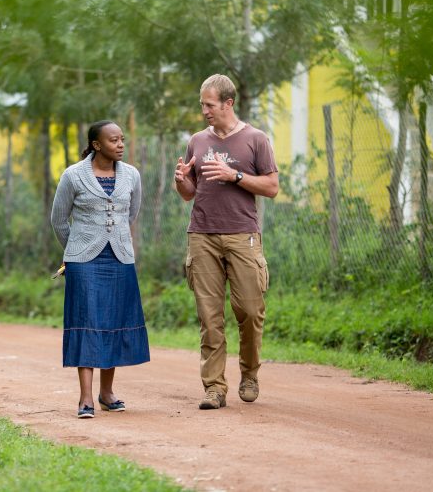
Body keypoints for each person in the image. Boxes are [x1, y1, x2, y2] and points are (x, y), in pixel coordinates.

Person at [174, 74, 279, 409]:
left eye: (209, 104)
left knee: (250, 310)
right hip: (201, 234)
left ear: (228, 103)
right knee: (209, 316)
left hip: (242, 235)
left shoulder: (256, 139)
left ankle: (249, 374)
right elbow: (190, 193)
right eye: (202, 104)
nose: (204, 110)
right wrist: (181, 182)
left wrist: (234, 175)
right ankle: (214, 388)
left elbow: (272, 187)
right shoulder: (197, 141)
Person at [50, 120, 150, 419]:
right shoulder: (73, 176)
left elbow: (131, 213)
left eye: (122, 139)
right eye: (113, 140)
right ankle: (85, 398)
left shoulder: (131, 175)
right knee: (87, 321)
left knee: (114, 321)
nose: (120, 145)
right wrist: (77, 250)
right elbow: (58, 220)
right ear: (96, 145)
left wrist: (113, 238)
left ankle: (107, 393)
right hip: (83, 262)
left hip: (120, 258)